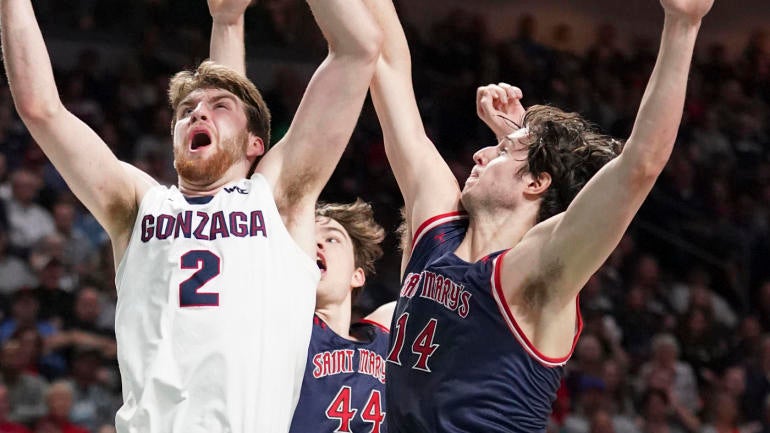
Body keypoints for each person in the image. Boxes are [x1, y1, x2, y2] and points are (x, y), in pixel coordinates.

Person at [1, 0, 382, 431]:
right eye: (186, 112)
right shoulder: (138, 204)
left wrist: (227, 22)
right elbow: (40, 109)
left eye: (219, 107)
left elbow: (357, 48)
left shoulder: (277, 201)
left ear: (256, 144)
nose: (197, 112)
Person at [364, 0, 713, 431]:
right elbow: (387, 68)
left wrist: (683, 24)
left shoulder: (535, 270)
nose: (477, 152)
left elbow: (638, 167)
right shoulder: (437, 233)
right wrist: (513, 141)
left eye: (499, 150)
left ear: (535, 183)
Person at [289, 200, 394, 433]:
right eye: (307, 237)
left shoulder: (384, 335)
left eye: (332, 239)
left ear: (357, 275)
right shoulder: (283, 329)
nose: (316, 243)